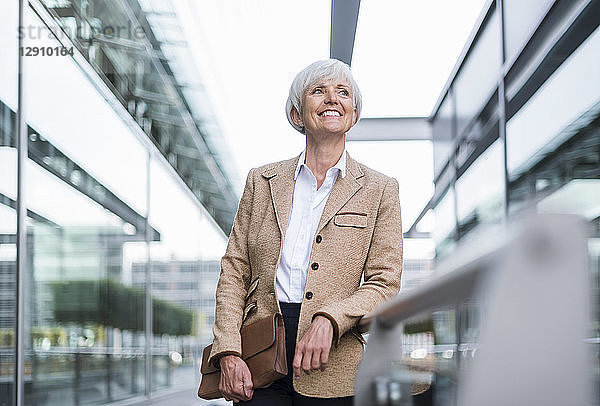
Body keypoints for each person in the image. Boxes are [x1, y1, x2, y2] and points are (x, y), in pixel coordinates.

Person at [208, 59, 403, 405]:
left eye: (342, 92)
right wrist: (228, 350)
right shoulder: (262, 180)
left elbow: (384, 284)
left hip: (336, 363)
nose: (332, 99)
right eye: (318, 91)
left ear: (353, 114)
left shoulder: (380, 189)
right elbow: (234, 271)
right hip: (260, 358)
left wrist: (331, 319)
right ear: (298, 115)